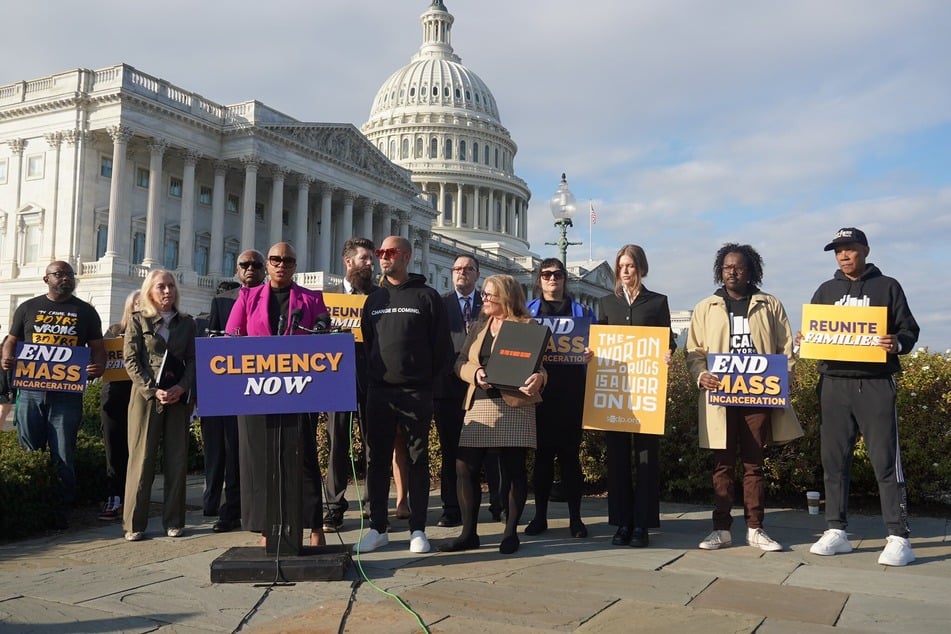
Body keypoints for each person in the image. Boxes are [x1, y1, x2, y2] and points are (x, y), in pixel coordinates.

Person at [803, 227, 920, 566]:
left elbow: (909, 330)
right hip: (834, 384)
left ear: (865, 250)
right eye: (838, 250)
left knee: (885, 461)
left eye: (849, 249)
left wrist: (896, 342)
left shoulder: (888, 287)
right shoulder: (825, 290)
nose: (843, 255)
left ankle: (899, 536)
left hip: (875, 383)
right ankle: (836, 530)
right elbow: (816, 333)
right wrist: (805, 337)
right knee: (833, 461)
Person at [686, 243, 802, 552]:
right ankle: (721, 529)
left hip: (757, 397)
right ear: (719, 271)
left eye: (738, 267)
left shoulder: (769, 304)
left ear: (750, 270)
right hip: (720, 397)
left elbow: (786, 349)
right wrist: (701, 375)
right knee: (722, 465)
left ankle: (755, 528)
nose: (732, 272)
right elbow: (694, 352)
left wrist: (780, 379)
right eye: (727, 267)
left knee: (754, 463)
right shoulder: (706, 307)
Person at [225, 241, 329, 547]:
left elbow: (323, 329)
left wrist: (321, 326)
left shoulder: (311, 298)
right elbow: (232, 337)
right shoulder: (247, 297)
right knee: (260, 461)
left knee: (305, 459)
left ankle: (314, 525)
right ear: (267, 265)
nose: (281, 264)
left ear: (295, 266)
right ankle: (265, 527)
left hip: (299, 390)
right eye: (274, 259)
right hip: (256, 391)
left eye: (287, 260)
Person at [440, 274, 547, 555]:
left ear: (506, 297)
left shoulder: (527, 326)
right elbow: (460, 362)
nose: (484, 299)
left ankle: (510, 532)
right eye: (484, 295)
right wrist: (474, 373)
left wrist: (539, 379)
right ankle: (469, 533)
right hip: (480, 401)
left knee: (513, 469)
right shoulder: (477, 327)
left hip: (514, 404)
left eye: (490, 295)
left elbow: (541, 368)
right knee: (465, 466)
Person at [358, 236, 452, 554]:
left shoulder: (427, 296)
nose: (383, 258)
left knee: (417, 460)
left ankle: (418, 529)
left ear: (407, 256)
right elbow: (369, 344)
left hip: (416, 391)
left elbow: (441, 348)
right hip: (379, 391)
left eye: (390, 252)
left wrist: (423, 381)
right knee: (377, 460)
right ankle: (377, 527)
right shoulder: (373, 300)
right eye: (380, 253)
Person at [2, 261, 106, 529]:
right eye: (59, 274)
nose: (66, 279)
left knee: (63, 453)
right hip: (30, 391)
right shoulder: (27, 308)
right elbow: (11, 340)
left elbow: (98, 347)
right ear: (46, 279)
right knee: (30, 450)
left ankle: (61, 511)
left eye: (69, 275)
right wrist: (6, 356)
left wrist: (98, 365)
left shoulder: (86, 312)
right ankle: (29, 508)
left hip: (66, 395)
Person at [598, 245, 675, 547]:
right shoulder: (607, 303)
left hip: (646, 392)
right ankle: (622, 523)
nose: (625, 271)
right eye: (621, 266)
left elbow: (668, 341)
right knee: (617, 459)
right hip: (615, 391)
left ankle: (642, 524)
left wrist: (669, 353)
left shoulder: (657, 303)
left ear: (641, 267)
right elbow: (601, 341)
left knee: (646, 459)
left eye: (630, 265)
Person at [122, 270, 197, 541]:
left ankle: (174, 521)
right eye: (161, 287)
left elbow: (192, 359)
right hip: (145, 398)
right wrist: (152, 391)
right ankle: (134, 523)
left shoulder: (187, 323)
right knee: (141, 459)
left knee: (176, 459)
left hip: (177, 397)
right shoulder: (137, 320)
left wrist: (182, 387)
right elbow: (131, 360)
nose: (167, 291)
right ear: (149, 291)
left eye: (171, 286)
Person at [525, 258, 594, 539]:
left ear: (565, 279)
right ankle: (539, 517)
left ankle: (576, 519)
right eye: (546, 274)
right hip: (539, 396)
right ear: (539, 279)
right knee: (541, 460)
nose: (552, 279)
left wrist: (592, 354)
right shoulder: (527, 312)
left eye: (557, 274)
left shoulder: (583, 312)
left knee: (569, 459)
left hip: (571, 394)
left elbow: (602, 346)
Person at [201, 249, 265, 533]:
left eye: (255, 264)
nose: (250, 269)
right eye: (244, 265)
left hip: (266, 387)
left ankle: (264, 508)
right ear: (237, 270)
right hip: (233, 389)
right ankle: (231, 510)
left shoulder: (274, 299)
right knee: (231, 454)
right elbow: (213, 348)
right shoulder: (222, 302)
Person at [322, 238, 379, 532]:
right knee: (336, 446)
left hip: (372, 380)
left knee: (373, 446)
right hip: (337, 382)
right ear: (348, 262)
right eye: (365, 259)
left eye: (372, 259)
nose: (371, 264)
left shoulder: (381, 298)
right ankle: (333, 508)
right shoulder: (327, 298)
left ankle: (373, 507)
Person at [434, 255, 487, 528]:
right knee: (450, 451)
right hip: (447, 388)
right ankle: (451, 507)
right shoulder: (440, 304)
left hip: (482, 388)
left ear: (478, 274)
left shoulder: (488, 306)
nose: (461, 273)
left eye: (467, 269)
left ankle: (495, 504)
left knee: (487, 450)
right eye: (456, 269)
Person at [97, 290, 140, 521]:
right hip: (114, 398)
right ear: (128, 306)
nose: (140, 306)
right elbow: (101, 360)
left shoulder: (153, 333)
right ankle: (114, 497)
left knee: (137, 450)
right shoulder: (114, 331)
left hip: (140, 397)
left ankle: (133, 498)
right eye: (136, 302)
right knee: (114, 448)